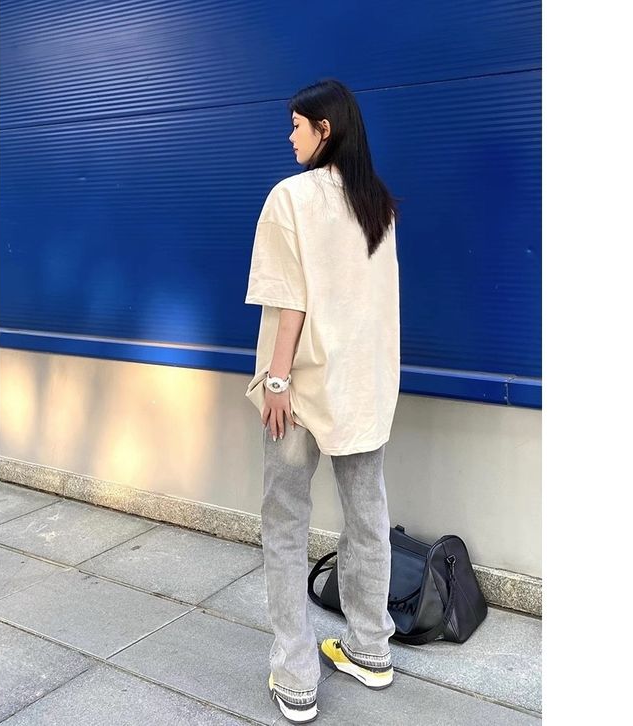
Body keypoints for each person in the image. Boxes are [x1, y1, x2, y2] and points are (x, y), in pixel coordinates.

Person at [244, 78, 402, 724]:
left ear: (324, 130)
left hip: (301, 390)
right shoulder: (378, 205)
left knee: (285, 522)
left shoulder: (291, 197)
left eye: (297, 125)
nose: (290, 137)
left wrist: (277, 381)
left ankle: (296, 675)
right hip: (361, 388)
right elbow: (376, 306)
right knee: (367, 519)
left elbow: (290, 303)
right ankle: (371, 649)